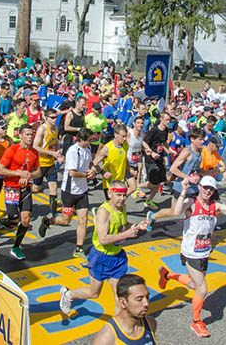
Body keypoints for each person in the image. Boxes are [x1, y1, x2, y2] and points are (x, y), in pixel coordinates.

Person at [158, 176, 226, 338]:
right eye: (205, 187)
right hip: (190, 252)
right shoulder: (192, 203)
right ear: (199, 187)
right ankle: (196, 321)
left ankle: (168, 275)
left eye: (211, 189)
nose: (208, 191)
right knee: (202, 289)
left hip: (205, 252)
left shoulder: (216, 205)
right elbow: (177, 211)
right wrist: (183, 191)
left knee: (194, 284)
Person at [59, 181, 149, 317]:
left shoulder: (122, 207)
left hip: (117, 257)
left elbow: (124, 224)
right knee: (94, 293)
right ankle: (68, 294)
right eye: (118, 195)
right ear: (110, 193)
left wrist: (136, 226)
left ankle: (120, 327)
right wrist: (127, 234)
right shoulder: (104, 212)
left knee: (119, 296)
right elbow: (103, 239)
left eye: (124, 195)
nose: (122, 198)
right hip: (101, 258)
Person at [39, 128, 94, 260]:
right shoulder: (73, 151)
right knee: (65, 220)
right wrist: (87, 175)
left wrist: (94, 171)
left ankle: (79, 248)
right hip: (69, 191)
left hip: (82, 191)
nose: (91, 141)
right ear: (81, 140)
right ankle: (48, 221)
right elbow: (72, 173)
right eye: (89, 140)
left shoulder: (88, 149)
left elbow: (90, 163)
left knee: (83, 219)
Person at [0, 123, 41, 260]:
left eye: (31, 134)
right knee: (13, 220)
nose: (30, 137)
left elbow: (38, 172)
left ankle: (16, 246)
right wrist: (18, 173)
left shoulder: (34, 152)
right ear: (20, 135)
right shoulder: (12, 150)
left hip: (25, 189)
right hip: (11, 188)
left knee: (26, 220)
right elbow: (0, 169)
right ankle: (2, 222)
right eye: (27, 134)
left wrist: (29, 175)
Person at [91, 274, 158, 345]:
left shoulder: (151, 324)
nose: (146, 303)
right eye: (139, 299)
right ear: (123, 303)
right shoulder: (106, 338)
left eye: (147, 297)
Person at [32, 108, 63, 213]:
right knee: (36, 188)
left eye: (56, 117)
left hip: (50, 164)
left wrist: (59, 155)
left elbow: (56, 143)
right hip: (40, 163)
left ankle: (53, 212)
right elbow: (35, 147)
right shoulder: (42, 129)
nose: (55, 119)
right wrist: (52, 153)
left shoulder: (55, 128)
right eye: (52, 117)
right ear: (46, 118)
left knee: (53, 187)